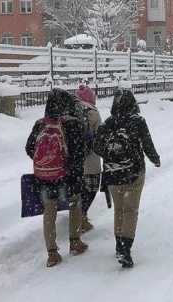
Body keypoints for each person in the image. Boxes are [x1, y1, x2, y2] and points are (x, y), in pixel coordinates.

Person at [93, 89, 161, 268]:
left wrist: (112, 155)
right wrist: (155, 159)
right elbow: (147, 143)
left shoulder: (108, 123)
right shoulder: (138, 121)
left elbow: (97, 146)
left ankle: (118, 244)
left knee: (119, 209)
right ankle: (125, 249)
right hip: (134, 172)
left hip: (112, 173)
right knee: (130, 210)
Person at [25, 88, 88, 267]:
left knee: (49, 211)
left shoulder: (40, 124)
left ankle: (52, 253)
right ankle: (75, 242)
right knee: (75, 204)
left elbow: (29, 148)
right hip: (67, 175)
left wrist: (46, 161)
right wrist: (70, 170)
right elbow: (78, 153)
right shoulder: (72, 123)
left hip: (44, 177)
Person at [75, 84, 103, 233]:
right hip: (91, 160)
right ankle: (82, 216)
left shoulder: (70, 110)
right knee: (90, 189)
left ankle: (77, 216)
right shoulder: (93, 112)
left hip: (74, 160)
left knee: (78, 190)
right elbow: (101, 135)